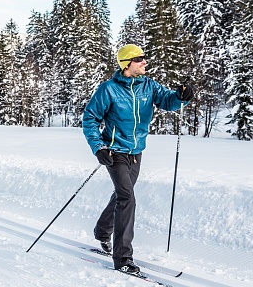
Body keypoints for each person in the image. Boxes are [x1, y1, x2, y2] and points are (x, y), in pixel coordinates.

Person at [82, 44, 194, 274]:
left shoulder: (148, 86)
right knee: (127, 197)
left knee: (123, 194)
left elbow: (168, 100)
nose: (145, 62)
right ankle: (122, 258)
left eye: (144, 58)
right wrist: (98, 147)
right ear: (127, 64)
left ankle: (102, 231)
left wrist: (182, 96)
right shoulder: (109, 90)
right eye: (139, 59)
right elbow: (90, 119)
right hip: (115, 152)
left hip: (136, 152)